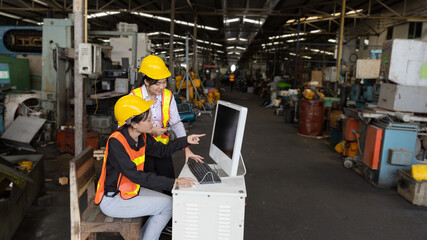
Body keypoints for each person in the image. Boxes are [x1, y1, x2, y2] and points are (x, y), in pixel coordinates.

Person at [95, 95, 204, 240]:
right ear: (134, 123)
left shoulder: (141, 136)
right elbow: (136, 176)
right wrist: (173, 182)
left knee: (169, 202)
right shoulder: (117, 142)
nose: (153, 122)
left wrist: (185, 140)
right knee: (169, 205)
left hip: (129, 190)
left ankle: (143, 237)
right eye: (148, 120)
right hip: (113, 199)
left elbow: (162, 151)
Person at [130, 55, 204, 186]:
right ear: (146, 81)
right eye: (157, 83)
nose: (161, 87)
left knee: (170, 185)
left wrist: (186, 147)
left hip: (163, 149)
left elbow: (176, 123)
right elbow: (127, 126)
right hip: (141, 149)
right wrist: (151, 130)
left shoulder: (168, 96)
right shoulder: (134, 96)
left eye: (164, 82)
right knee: (144, 187)